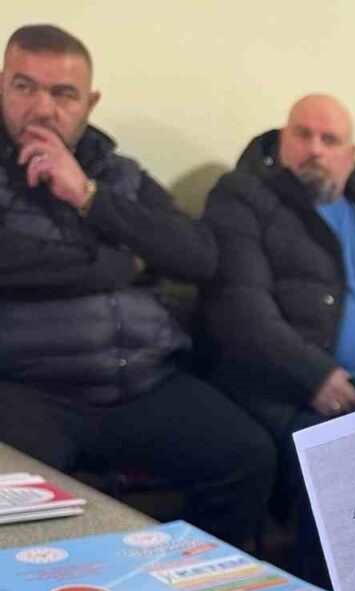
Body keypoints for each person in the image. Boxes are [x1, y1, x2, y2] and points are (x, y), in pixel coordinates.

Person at [0, 24, 274, 547]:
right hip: (32, 389)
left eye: (63, 94)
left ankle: (203, 587)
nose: (42, 108)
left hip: (145, 383)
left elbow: (199, 255)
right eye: (24, 87)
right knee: (25, 501)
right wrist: (123, 264)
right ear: (1, 86)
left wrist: (87, 194)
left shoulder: (119, 174)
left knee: (248, 455)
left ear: (90, 103)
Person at [200, 93, 355, 583]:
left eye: (330, 140)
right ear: (282, 140)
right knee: (346, 475)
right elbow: (242, 311)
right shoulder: (243, 197)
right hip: (292, 387)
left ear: (350, 156)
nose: (315, 149)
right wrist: (312, 374)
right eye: (303, 135)